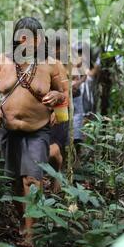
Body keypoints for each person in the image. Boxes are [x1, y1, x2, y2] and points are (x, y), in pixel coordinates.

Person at [0, 17, 65, 247]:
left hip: (37, 131)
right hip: (8, 130)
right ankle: (24, 221)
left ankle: (31, 237)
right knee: (14, 180)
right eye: (27, 37)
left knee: (32, 179)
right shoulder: (2, 60)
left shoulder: (50, 64)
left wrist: (58, 98)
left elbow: (63, 94)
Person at [48, 36, 69, 193]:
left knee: (54, 152)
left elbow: (65, 92)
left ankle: (57, 175)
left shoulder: (57, 65)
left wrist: (57, 111)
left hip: (57, 115)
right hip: (40, 116)